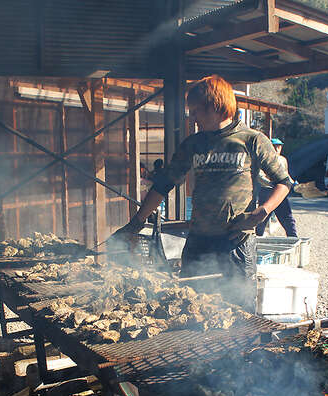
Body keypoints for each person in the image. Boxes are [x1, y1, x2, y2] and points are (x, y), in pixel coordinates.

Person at [111, 75, 301, 310]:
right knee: (190, 308)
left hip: (236, 244)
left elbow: (284, 182)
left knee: (240, 313)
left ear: (215, 106)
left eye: (196, 111)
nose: (193, 118)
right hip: (199, 241)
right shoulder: (193, 145)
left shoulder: (252, 140)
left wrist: (262, 212)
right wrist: (136, 223)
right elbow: (163, 184)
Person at [255, 138, 298, 237]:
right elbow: (259, 176)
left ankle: (293, 237)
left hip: (281, 191)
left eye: (279, 146)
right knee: (263, 215)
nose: (277, 149)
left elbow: (285, 174)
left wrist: (293, 183)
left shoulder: (283, 160)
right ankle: (257, 237)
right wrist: (272, 183)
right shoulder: (263, 159)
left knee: (286, 216)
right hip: (267, 190)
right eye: (274, 146)